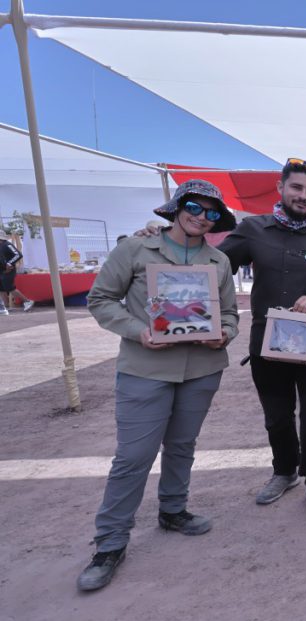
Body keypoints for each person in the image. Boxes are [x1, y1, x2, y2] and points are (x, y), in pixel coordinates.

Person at [77, 180, 238, 591]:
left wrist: (223, 334)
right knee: (133, 457)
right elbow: (100, 299)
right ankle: (110, 542)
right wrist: (139, 331)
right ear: (177, 207)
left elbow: (230, 314)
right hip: (145, 368)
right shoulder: (135, 249)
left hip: (201, 369)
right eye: (194, 207)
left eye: (211, 213)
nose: (202, 217)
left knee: (182, 445)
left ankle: (173, 510)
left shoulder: (218, 261)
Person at [218, 158, 306, 519]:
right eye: (297, 187)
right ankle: (285, 471)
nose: (303, 196)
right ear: (281, 188)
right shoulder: (252, 229)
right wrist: (166, 241)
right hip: (266, 344)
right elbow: (214, 265)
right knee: (277, 417)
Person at [0, 234, 34, 313]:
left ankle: (27, 301)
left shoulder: (7, 244)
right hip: (2, 270)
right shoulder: (1, 246)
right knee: (1, 289)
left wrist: (9, 263)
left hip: (9, 270)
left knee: (10, 288)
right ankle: (5, 307)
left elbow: (18, 254)